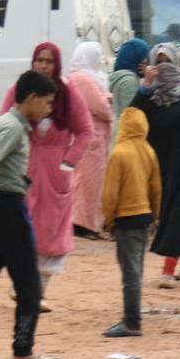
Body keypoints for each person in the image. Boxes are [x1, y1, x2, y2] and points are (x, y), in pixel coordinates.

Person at [0, 70, 62, 359]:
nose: (49, 110)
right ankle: (23, 352)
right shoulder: (12, 128)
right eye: (46, 103)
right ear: (31, 98)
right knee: (29, 283)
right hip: (6, 209)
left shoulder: (6, 124)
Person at [0, 43, 94, 305]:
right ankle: (23, 284)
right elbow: (3, 126)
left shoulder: (67, 93)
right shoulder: (18, 91)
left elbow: (85, 130)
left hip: (55, 172)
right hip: (25, 167)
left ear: (57, 65)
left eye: (48, 61)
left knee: (51, 231)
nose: (43, 65)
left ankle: (37, 290)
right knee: (22, 225)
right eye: (39, 60)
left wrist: (69, 161)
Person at [132, 56, 180, 289]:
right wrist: (145, 86)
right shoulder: (151, 95)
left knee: (179, 210)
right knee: (174, 212)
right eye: (158, 61)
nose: (163, 66)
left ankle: (168, 269)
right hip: (166, 165)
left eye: (169, 61)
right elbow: (132, 117)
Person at [101, 107, 162, 337]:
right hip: (145, 216)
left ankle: (131, 322)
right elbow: (156, 189)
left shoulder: (119, 153)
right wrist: (155, 216)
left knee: (130, 272)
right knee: (137, 269)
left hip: (126, 218)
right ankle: (132, 317)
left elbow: (110, 194)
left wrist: (109, 220)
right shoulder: (149, 151)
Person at [68, 41, 114, 238]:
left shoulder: (76, 77)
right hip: (92, 139)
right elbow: (101, 108)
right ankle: (85, 224)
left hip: (88, 138)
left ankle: (82, 222)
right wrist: (108, 99)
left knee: (82, 183)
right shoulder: (83, 79)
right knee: (89, 185)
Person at [110, 38, 151, 137]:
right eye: (144, 58)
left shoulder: (118, 77)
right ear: (136, 58)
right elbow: (132, 115)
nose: (146, 62)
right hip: (127, 136)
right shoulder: (129, 81)